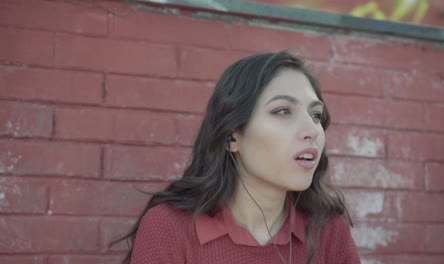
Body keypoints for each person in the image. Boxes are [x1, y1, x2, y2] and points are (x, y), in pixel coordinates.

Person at [113, 51, 361, 264]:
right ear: (232, 137)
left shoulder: (329, 231)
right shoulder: (169, 228)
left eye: (316, 115)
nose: (312, 131)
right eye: (283, 111)